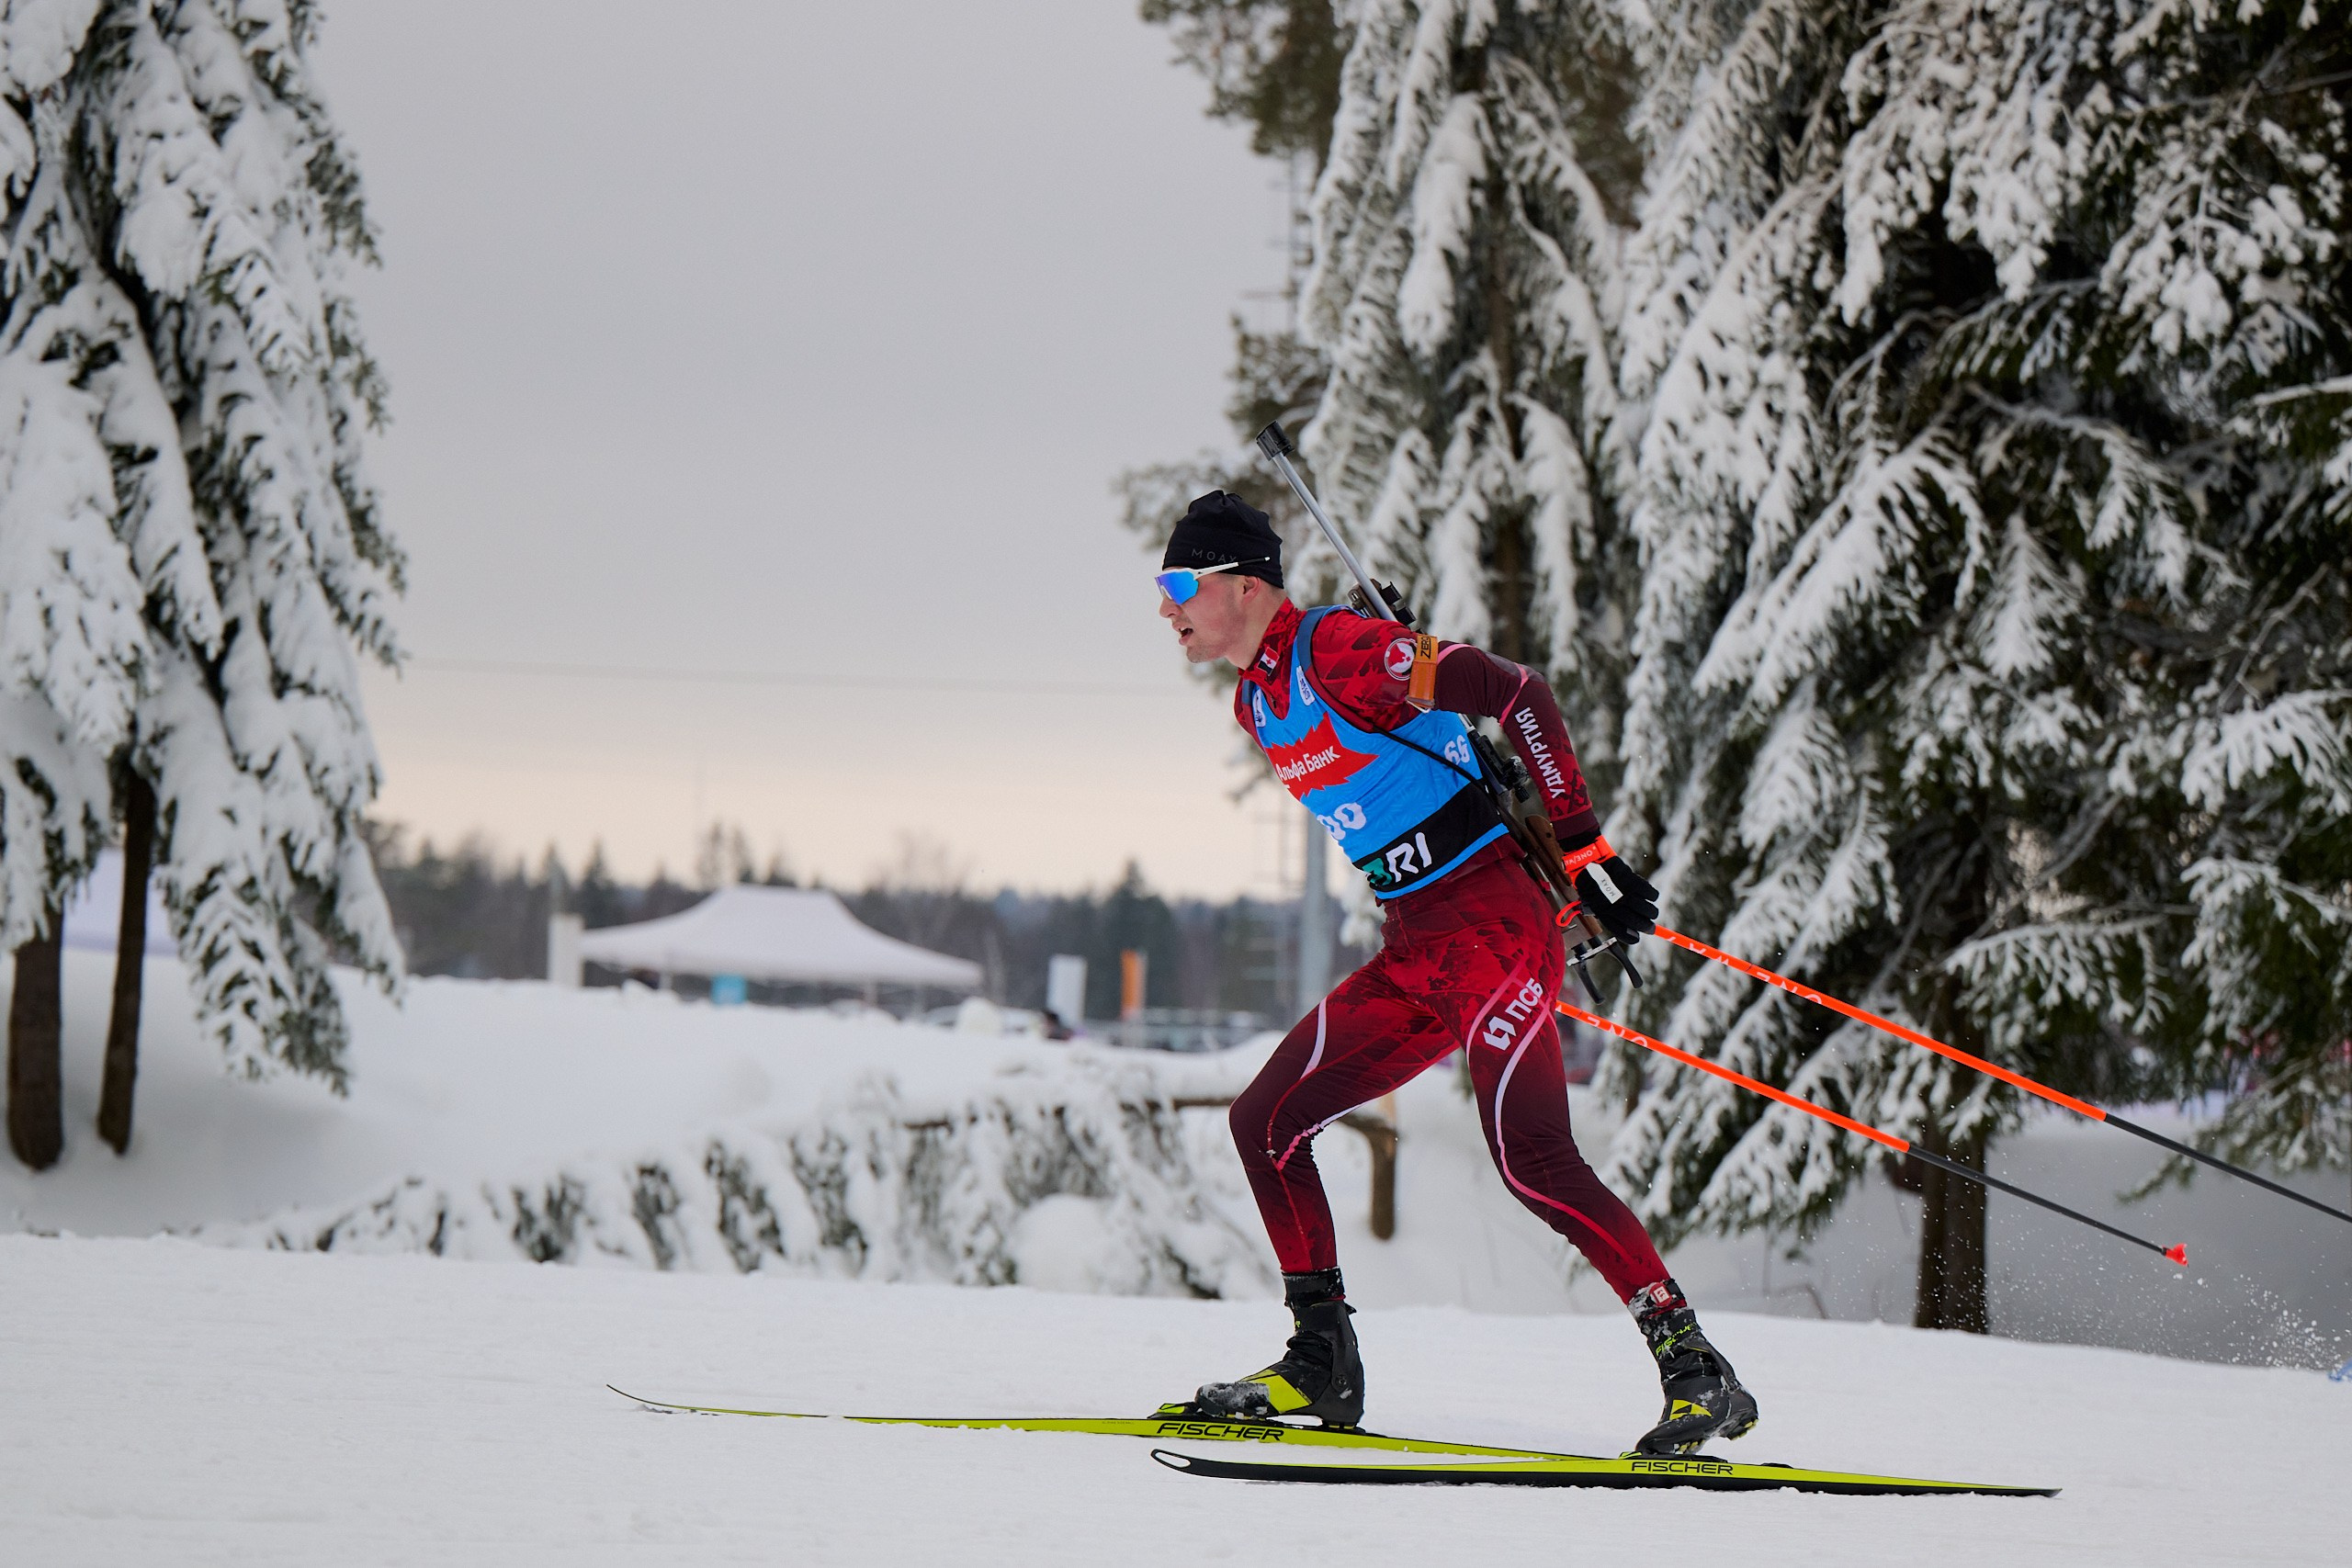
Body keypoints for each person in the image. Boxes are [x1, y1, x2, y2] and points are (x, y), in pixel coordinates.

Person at [1155, 490, 1758, 1455]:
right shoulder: (1254, 699)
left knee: (1531, 1158)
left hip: (1497, 930)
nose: (1164, 605)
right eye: (1162, 586)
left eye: (1180, 581)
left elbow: (1519, 693)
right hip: (1417, 949)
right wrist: (1406, 679)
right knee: (1264, 1123)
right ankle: (1321, 1360)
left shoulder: (1341, 648)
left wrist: (1585, 853)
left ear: (1246, 582)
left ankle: (1695, 1367)